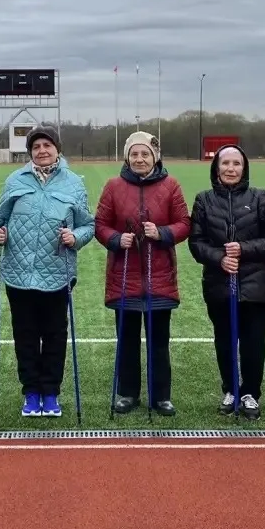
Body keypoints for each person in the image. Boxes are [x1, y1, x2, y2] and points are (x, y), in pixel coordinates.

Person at [0, 125, 96, 417]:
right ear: (30, 153)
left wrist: (75, 237)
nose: (42, 151)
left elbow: (88, 224)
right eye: (36, 147)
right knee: (24, 336)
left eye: (47, 145)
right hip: (19, 273)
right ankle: (31, 393)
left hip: (56, 273)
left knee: (54, 335)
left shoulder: (74, 183)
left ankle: (50, 393)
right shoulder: (15, 180)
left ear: (57, 149)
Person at [94, 131, 191, 416]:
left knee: (159, 342)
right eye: (134, 154)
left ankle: (161, 396)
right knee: (127, 340)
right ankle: (127, 393)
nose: (140, 159)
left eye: (145, 154)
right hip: (124, 275)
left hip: (160, 276)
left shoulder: (171, 185)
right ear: (127, 157)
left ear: (155, 157)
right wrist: (115, 239)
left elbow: (184, 223)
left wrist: (162, 233)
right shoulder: (113, 186)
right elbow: (100, 223)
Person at [187, 144, 265, 419]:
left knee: (253, 342)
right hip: (219, 284)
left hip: (255, 285)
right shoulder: (204, 199)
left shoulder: (259, 198)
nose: (230, 169)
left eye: (236, 164)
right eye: (225, 163)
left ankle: (250, 392)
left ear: (244, 168)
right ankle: (230, 389)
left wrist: (243, 249)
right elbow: (196, 242)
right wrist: (219, 258)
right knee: (225, 340)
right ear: (216, 167)